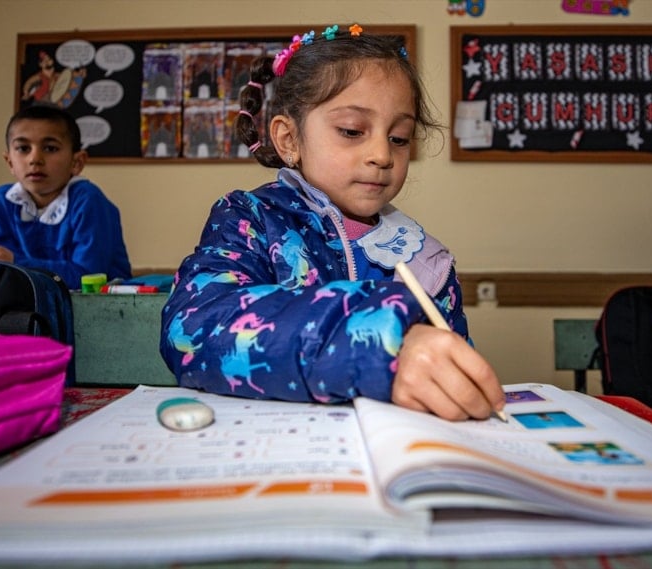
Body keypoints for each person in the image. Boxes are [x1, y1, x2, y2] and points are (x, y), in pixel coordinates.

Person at [160, 25, 505, 421]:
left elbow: (452, 368)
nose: (382, 155)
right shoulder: (249, 220)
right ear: (289, 140)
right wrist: (376, 343)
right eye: (352, 131)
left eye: (399, 137)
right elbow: (193, 329)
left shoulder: (425, 260)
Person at [0, 104, 131, 290]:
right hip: (30, 303)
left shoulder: (88, 201)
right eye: (23, 148)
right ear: (9, 162)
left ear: (76, 162)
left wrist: (14, 261)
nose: (35, 159)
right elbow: (1, 276)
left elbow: (88, 278)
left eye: (50, 148)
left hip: (98, 304)